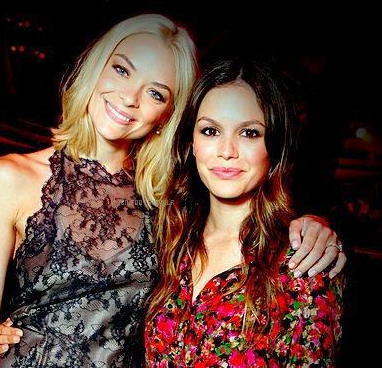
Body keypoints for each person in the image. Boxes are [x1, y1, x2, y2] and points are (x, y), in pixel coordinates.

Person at [0, 14, 344, 368]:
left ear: (167, 116)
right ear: (96, 66)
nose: (129, 98)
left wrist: (314, 226)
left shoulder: (165, 197)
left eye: (155, 93)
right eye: (121, 70)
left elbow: (242, 201)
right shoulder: (9, 177)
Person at [144, 58, 343, 366]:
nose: (227, 151)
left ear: (274, 147)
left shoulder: (304, 262)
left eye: (249, 133)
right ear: (192, 143)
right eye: (210, 130)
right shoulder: (168, 239)